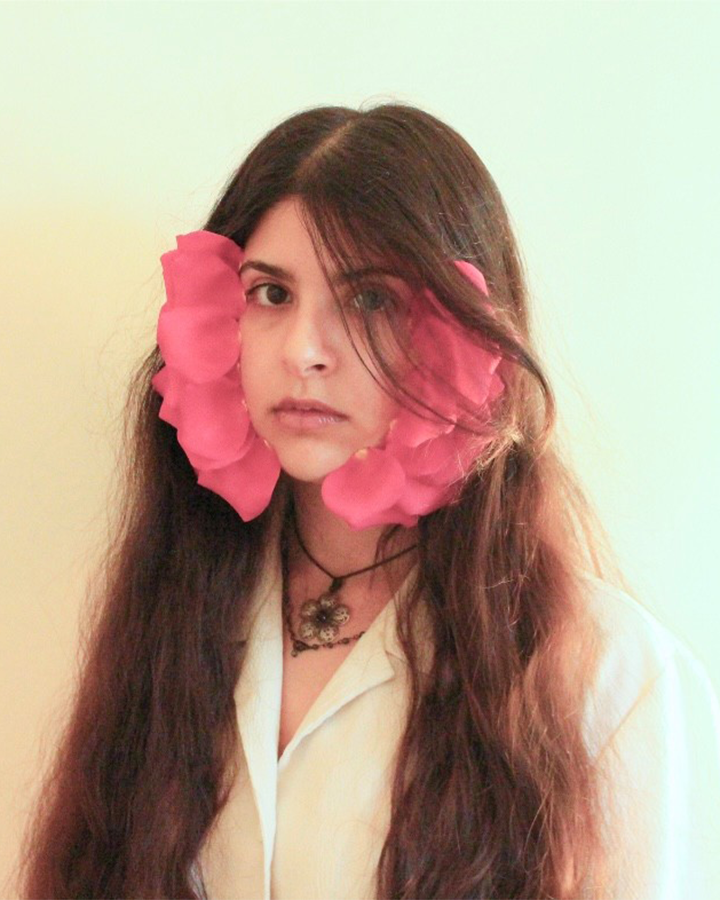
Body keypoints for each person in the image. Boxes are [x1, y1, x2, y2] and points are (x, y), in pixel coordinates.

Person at [16, 103, 720, 900]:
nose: (304, 351)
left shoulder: (611, 676)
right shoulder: (175, 611)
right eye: (271, 293)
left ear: (466, 336)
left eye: (371, 301)